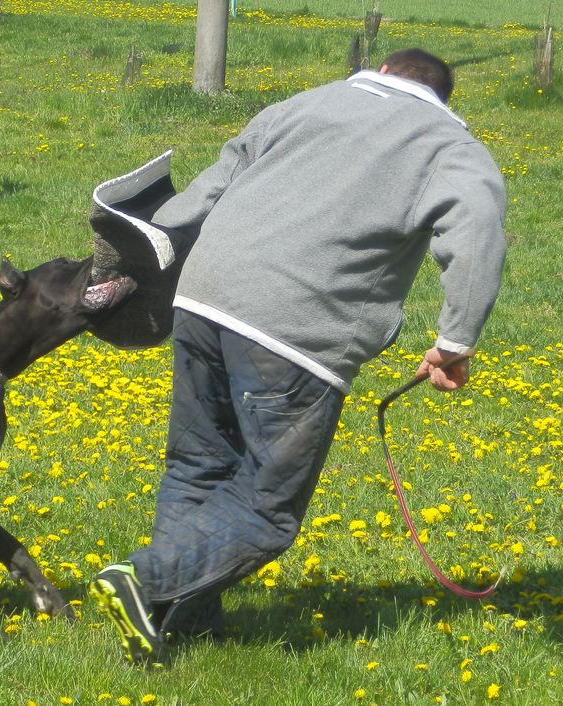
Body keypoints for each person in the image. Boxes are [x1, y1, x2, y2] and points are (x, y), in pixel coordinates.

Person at [88, 48, 507, 664]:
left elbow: (216, 179)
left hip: (202, 297)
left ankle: (185, 625)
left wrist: (158, 232)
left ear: (382, 71)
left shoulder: (303, 103)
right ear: (443, 99)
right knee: (268, 508)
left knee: (198, 466)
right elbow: (477, 230)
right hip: (296, 329)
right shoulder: (450, 146)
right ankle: (145, 581)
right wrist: (456, 341)